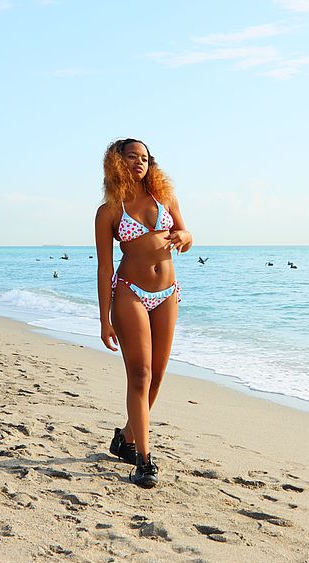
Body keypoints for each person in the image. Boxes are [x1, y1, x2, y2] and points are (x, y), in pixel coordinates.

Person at [95, 138, 193, 487]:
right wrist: (104, 318)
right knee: (140, 375)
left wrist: (183, 235)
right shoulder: (109, 210)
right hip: (129, 293)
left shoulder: (164, 197)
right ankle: (144, 460)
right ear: (117, 162)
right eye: (132, 156)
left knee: (158, 376)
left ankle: (125, 437)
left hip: (167, 293)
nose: (140, 162)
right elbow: (105, 268)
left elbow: (186, 233)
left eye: (145, 158)